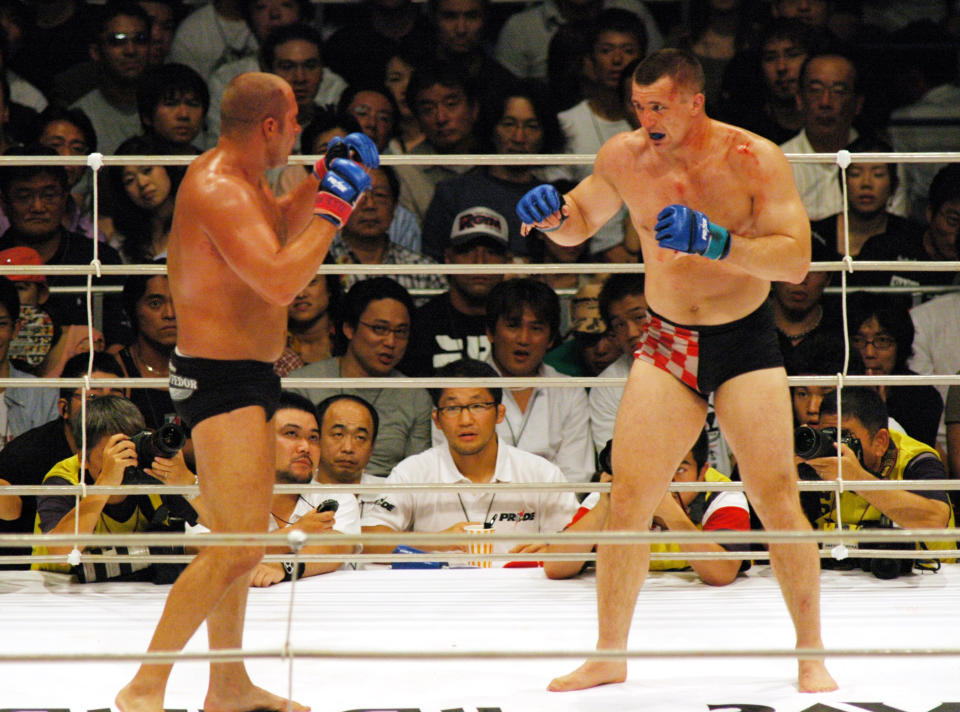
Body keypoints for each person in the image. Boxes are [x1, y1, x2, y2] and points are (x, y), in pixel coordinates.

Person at [516, 48, 836, 692]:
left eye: (659, 106)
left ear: (695, 101)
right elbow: (579, 225)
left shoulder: (754, 158)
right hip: (667, 338)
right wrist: (554, 216)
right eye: (638, 106)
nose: (646, 118)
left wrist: (719, 243)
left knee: (776, 495)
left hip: (743, 338)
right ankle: (609, 653)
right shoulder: (623, 158)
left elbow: (795, 261)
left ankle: (811, 654)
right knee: (629, 496)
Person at [115, 72, 377, 712]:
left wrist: (318, 182)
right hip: (218, 377)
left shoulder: (245, 178)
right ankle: (144, 684)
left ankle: (227, 683)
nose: (298, 130)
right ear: (270, 126)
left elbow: (279, 229)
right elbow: (283, 279)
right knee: (236, 542)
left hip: (249, 374)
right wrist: (335, 210)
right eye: (294, 122)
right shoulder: (218, 188)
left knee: (244, 541)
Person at [361, 358, 578, 562]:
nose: (466, 420)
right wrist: (438, 541)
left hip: (518, 596)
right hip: (436, 595)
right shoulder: (412, 472)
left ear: (499, 413)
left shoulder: (541, 474)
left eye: (477, 406)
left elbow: (578, 540)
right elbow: (368, 540)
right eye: (453, 408)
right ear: (437, 419)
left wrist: (552, 548)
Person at [191, 391, 361, 586]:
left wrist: (282, 566)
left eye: (313, 438)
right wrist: (295, 534)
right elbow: (205, 549)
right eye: (291, 434)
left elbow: (334, 547)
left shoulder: (337, 498)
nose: (305, 446)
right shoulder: (222, 497)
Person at [543, 429, 750, 583]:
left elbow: (722, 573)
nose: (665, 479)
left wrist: (671, 514)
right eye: (657, 466)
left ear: (702, 471)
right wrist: (607, 504)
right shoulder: (621, 487)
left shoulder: (722, 493)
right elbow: (556, 567)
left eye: (679, 469)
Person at [31, 395, 200, 577]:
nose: (123, 462)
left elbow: (223, 526)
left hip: (130, 591)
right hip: (59, 589)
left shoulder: (151, 470)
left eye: (128, 450)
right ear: (82, 458)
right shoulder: (64, 479)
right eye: (113, 454)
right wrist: (105, 484)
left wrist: (187, 483)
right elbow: (63, 551)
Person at [290, 277, 432, 478]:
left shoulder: (416, 397)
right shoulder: (303, 385)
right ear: (349, 328)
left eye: (401, 332)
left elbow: (419, 476)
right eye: (379, 329)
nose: (391, 342)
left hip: (386, 502)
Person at [801, 386, 953, 568]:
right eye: (829, 435)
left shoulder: (916, 459)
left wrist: (857, 479)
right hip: (842, 577)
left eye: (845, 436)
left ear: (880, 441)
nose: (836, 446)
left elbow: (934, 520)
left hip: (929, 577)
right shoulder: (818, 460)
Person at [0, 352, 125, 569]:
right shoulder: (24, 457)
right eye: (93, 397)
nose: (106, 407)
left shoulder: (140, 448)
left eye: (115, 396)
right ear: (63, 408)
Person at [421, 81, 566, 261]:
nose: (519, 137)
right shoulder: (453, 194)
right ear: (491, 128)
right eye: (508, 124)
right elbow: (432, 264)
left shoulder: (552, 201)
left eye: (531, 126)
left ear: (545, 134)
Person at [0, 145, 126, 343]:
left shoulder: (98, 258)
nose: (38, 207)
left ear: (65, 197)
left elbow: (118, 340)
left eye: (49, 196)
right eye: (24, 197)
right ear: (4, 203)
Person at [480, 278, 594, 483]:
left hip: (552, 511)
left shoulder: (568, 391)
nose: (524, 339)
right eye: (513, 325)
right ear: (490, 332)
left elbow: (576, 476)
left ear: (550, 339)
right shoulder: (462, 388)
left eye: (536, 328)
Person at [557, 9, 644, 259]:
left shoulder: (658, 127)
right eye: (606, 51)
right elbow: (560, 195)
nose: (618, 60)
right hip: (587, 254)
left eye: (628, 51)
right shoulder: (568, 123)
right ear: (589, 60)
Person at [398, 206, 510, 376]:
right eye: (467, 251)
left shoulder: (523, 324)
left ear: (507, 262)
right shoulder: (420, 325)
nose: (479, 262)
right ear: (448, 258)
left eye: (491, 252)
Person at [327, 165, 448, 300]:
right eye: (357, 195)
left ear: (395, 206)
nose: (370, 205)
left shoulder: (424, 271)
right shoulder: (321, 265)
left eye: (380, 195)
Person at [779, 48, 868, 221]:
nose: (825, 102)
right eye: (815, 90)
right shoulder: (778, 162)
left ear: (858, 103)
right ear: (799, 99)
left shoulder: (882, 160)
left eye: (838, 91)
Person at [846, 292, 942, 449]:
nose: (869, 353)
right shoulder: (833, 388)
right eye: (858, 340)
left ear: (900, 345)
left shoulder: (923, 398)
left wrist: (879, 413)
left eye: (882, 340)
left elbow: (915, 464)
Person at [70, 2, 152, 155]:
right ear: (95, 51)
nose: (131, 50)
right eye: (118, 41)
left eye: (140, 39)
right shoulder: (79, 117)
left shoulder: (169, 110)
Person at [113, 272, 178, 430]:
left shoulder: (207, 366)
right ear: (132, 310)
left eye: (178, 301)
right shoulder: (116, 370)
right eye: (155, 304)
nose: (170, 314)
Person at [108, 136, 186, 262]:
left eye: (147, 170)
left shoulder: (197, 221)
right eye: (130, 180)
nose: (142, 183)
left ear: (167, 167)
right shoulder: (121, 241)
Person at [544, 281, 623, 378]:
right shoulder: (554, 368)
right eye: (589, 337)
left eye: (612, 336)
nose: (601, 350)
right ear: (577, 337)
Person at [273, 267, 342, 377]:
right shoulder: (269, 347)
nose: (301, 294)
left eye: (311, 282)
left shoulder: (351, 337)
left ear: (329, 288)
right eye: (290, 285)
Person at [135, 62, 210, 154]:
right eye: (171, 104)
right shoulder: (131, 162)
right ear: (147, 116)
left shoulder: (212, 165)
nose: (184, 114)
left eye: (193, 104)